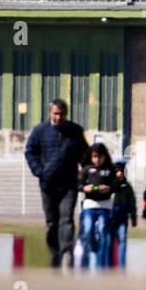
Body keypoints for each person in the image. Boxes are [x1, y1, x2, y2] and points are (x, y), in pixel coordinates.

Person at [24, 99, 88, 268]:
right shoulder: (40, 131)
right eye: (56, 113)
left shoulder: (75, 131)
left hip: (69, 184)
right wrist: (39, 171)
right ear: (50, 113)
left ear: (66, 114)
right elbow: (30, 152)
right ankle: (54, 252)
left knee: (66, 218)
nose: (59, 117)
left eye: (62, 114)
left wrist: (83, 174)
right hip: (48, 184)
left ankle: (66, 253)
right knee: (52, 222)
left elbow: (85, 155)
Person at [78, 143, 116, 270]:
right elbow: (77, 185)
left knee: (102, 231)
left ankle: (101, 264)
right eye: (94, 156)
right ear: (91, 156)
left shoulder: (110, 170)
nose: (97, 159)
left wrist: (109, 188)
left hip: (105, 206)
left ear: (105, 157)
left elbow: (116, 186)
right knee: (88, 230)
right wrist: (84, 188)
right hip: (89, 206)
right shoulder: (87, 170)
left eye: (100, 157)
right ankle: (91, 251)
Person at [108, 162, 138, 269]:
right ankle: (109, 264)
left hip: (122, 217)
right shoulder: (110, 184)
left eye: (120, 170)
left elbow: (132, 202)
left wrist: (133, 217)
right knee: (109, 241)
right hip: (111, 217)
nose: (118, 173)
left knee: (122, 239)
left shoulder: (127, 186)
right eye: (116, 171)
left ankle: (122, 265)